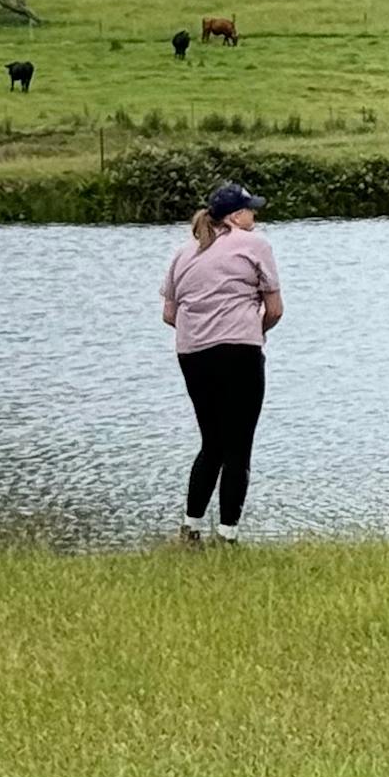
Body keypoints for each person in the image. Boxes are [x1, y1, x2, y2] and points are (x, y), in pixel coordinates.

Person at [161, 181, 282, 544]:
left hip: (193, 354)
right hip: (240, 351)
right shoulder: (255, 245)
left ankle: (190, 528)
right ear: (234, 216)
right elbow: (274, 309)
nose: (255, 215)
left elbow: (170, 314)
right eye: (250, 209)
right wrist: (252, 331)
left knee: (212, 442)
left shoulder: (184, 253)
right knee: (239, 445)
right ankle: (227, 536)